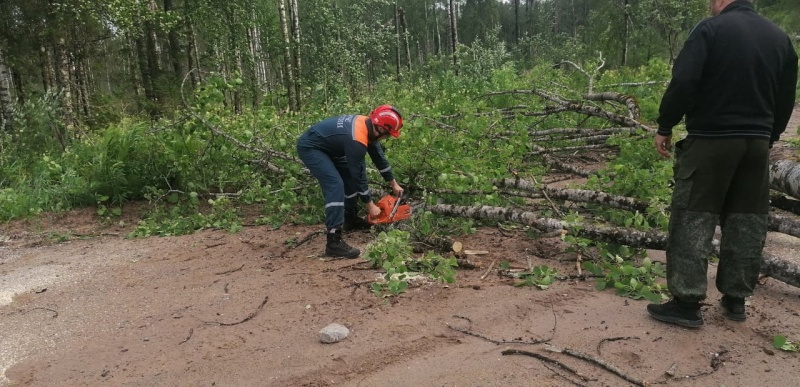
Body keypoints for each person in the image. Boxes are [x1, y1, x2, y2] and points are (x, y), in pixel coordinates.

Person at [648, 0, 798, 328]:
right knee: (747, 221)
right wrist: (768, 135)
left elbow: (685, 80)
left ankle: (686, 304)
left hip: (711, 140)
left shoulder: (709, 29)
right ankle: (735, 300)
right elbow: (786, 96)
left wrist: (665, 125)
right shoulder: (779, 38)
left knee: (692, 218)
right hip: (756, 144)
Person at [296, 105, 405, 259]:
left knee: (348, 179)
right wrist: (370, 204)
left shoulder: (368, 125)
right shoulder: (357, 139)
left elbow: (379, 157)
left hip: (329, 147)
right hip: (311, 148)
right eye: (387, 135)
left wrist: (393, 184)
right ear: (380, 129)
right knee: (335, 185)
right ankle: (333, 242)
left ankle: (349, 219)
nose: (385, 138)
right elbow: (358, 174)